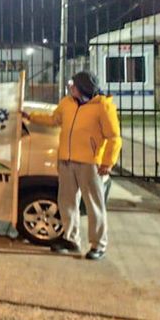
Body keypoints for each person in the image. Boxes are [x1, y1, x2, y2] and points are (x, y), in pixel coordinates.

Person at [26, 71, 121, 260]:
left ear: (83, 87)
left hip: (91, 164)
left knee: (95, 205)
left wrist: (107, 162)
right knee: (67, 202)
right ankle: (71, 239)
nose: (70, 87)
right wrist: (30, 116)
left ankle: (98, 245)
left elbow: (114, 137)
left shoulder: (103, 106)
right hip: (67, 161)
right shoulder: (67, 103)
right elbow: (54, 120)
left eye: (73, 85)